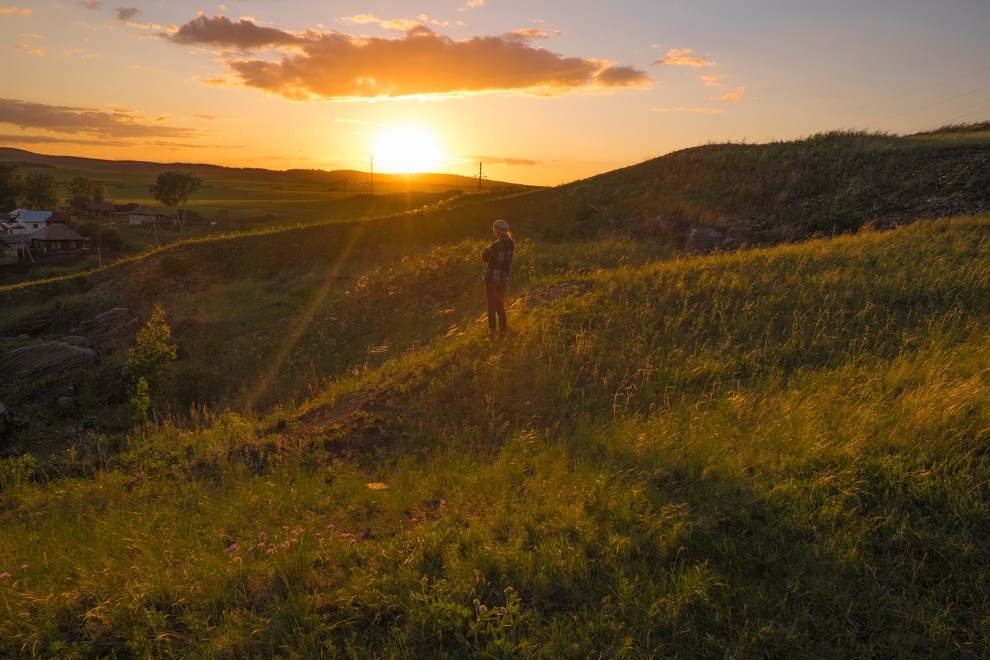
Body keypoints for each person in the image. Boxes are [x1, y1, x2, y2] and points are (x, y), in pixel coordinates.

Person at [482, 218, 514, 337]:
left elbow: (485, 256)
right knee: (500, 305)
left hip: (492, 279)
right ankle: (503, 330)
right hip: (503, 279)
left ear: (497, 231)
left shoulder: (497, 244)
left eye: (494, 230)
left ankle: (491, 331)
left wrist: (487, 248)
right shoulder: (511, 243)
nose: (493, 232)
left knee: (491, 306)